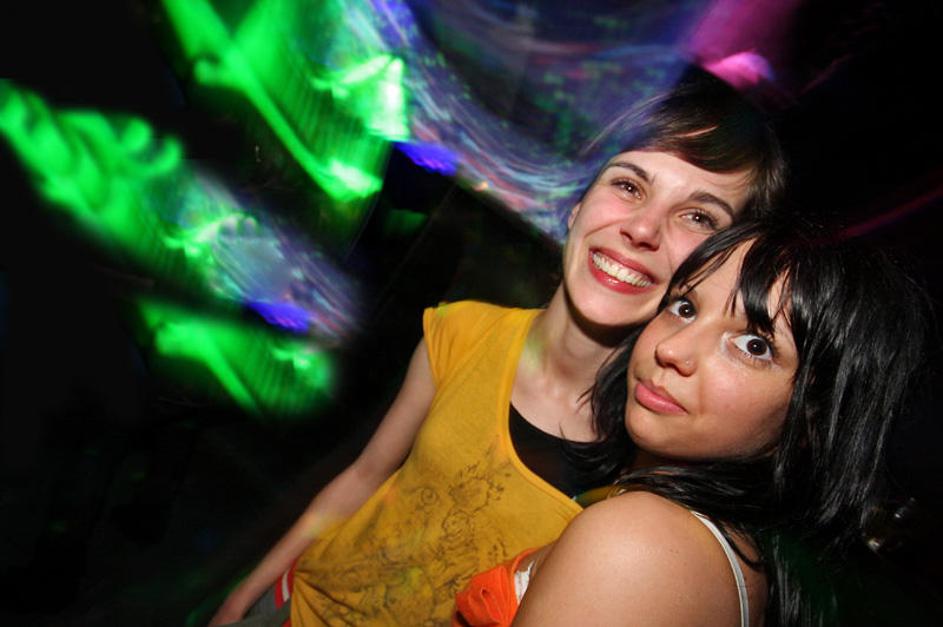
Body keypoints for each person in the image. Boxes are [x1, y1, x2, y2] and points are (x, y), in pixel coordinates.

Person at [209, 68, 786, 626]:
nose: (643, 229)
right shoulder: (462, 331)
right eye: (628, 184)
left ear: (727, 265)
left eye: (697, 217)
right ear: (576, 201)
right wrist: (249, 592)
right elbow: (365, 477)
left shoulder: (656, 463)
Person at [453, 220, 931, 626]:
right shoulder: (722, 545)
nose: (671, 349)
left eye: (754, 345)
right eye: (684, 307)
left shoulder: (639, 542)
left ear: (813, 416)